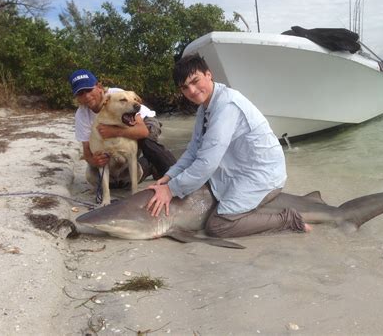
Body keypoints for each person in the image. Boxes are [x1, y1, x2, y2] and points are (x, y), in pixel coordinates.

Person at [146, 54, 312, 237]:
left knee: (217, 226)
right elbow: (194, 150)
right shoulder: (205, 108)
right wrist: (170, 176)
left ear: (209, 74)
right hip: (237, 169)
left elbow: (207, 163)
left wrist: (171, 190)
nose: (192, 91)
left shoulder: (227, 106)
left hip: (261, 173)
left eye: (195, 81)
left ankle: (288, 219)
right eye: (185, 88)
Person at [69, 69, 176, 188]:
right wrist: (94, 161)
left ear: (99, 87)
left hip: (144, 120)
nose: (87, 96)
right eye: (80, 93)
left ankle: (174, 172)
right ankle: (146, 167)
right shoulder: (82, 114)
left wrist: (114, 132)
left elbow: (143, 131)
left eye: (89, 90)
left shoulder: (117, 95)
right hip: (122, 137)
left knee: (146, 140)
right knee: (109, 182)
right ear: (77, 97)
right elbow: (87, 151)